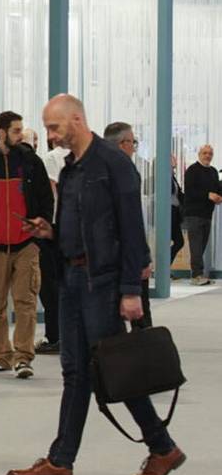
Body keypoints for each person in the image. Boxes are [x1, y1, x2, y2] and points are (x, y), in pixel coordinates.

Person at [8, 95, 185, 475]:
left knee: (112, 368)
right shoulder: (71, 169)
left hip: (102, 283)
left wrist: (131, 290)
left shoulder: (113, 165)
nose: (50, 136)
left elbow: (131, 230)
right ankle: (63, 460)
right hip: (72, 279)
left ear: (76, 119)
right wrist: (50, 232)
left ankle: (161, 447)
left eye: (54, 127)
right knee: (76, 371)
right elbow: (76, 225)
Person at [0, 110, 53, 380]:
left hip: (26, 244)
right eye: (16, 131)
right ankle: (1, 357)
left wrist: (39, 235)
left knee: (26, 302)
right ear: (2, 132)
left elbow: (45, 199)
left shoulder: (30, 162)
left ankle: (23, 358)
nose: (21, 135)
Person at [103, 121, 153, 328]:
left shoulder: (95, 168)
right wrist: (143, 258)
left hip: (104, 258)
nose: (134, 147)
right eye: (133, 142)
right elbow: (132, 222)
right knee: (139, 313)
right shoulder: (126, 171)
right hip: (125, 255)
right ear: (123, 143)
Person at [35, 134, 69, 354]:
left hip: (54, 227)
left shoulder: (51, 158)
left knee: (50, 285)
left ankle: (54, 335)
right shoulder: (78, 157)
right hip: (70, 227)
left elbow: (52, 188)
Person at [183, 143, 221, 286]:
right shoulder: (192, 170)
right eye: (205, 153)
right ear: (199, 154)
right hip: (193, 214)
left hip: (207, 214)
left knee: (202, 245)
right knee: (196, 246)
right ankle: (197, 275)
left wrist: (218, 196)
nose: (207, 156)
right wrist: (208, 195)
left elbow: (217, 188)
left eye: (210, 154)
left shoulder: (213, 171)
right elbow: (190, 192)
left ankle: (199, 273)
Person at [170, 154, 185, 265]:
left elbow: (179, 195)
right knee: (175, 241)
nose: (175, 160)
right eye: (173, 159)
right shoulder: (162, 176)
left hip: (174, 213)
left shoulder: (172, 177)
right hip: (167, 213)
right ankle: (163, 269)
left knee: (179, 242)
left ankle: (164, 267)